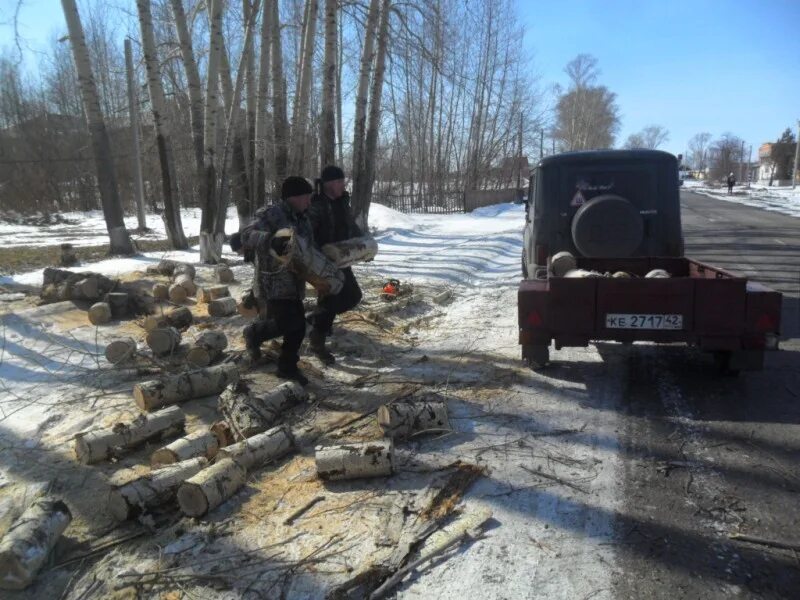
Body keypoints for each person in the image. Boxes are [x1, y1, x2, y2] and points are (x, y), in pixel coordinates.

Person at [240, 176, 315, 385]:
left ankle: (254, 333)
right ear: (293, 198)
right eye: (306, 197)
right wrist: (269, 240)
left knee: (289, 323)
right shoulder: (271, 214)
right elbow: (244, 236)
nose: (309, 202)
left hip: (294, 280)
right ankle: (287, 367)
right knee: (297, 324)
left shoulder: (303, 218)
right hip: (271, 282)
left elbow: (308, 246)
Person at [306, 165, 364, 364]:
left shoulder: (342, 201)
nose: (342, 184)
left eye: (342, 181)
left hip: (342, 257)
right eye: (339, 181)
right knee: (330, 300)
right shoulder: (316, 204)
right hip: (323, 261)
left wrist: (363, 247)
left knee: (353, 296)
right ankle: (317, 342)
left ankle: (317, 320)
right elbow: (307, 234)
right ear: (329, 183)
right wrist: (317, 257)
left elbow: (351, 226)